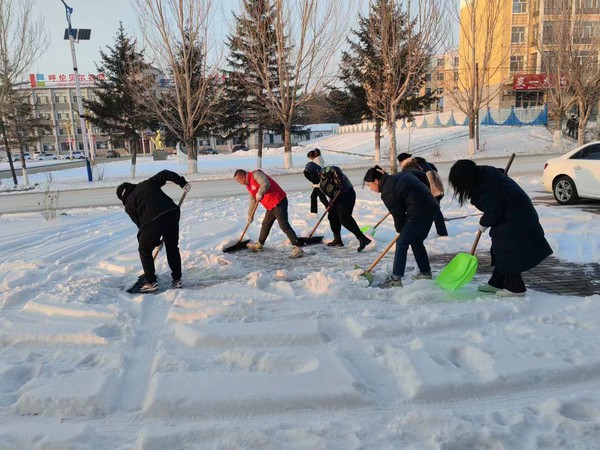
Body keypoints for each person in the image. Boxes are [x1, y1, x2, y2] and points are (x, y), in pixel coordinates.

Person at [448, 159, 553, 297]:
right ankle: (497, 283)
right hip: (512, 214)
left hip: (517, 216)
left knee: (506, 248)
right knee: (499, 247)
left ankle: (516, 288)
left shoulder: (486, 185)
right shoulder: (483, 175)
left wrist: (484, 222)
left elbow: (493, 211)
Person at [363, 166, 439, 288]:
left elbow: (398, 215)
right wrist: (423, 194)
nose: (370, 188)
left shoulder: (387, 192)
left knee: (402, 242)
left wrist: (401, 230)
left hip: (419, 212)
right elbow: (421, 175)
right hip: (431, 207)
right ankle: (426, 273)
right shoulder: (397, 176)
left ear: (376, 181)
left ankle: (396, 278)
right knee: (416, 241)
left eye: (370, 185)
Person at [116, 170, 191, 293]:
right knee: (172, 248)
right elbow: (165, 173)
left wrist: (154, 241)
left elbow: (142, 227)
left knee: (144, 250)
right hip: (172, 212)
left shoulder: (128, 204)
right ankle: (177, 280)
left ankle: (150, 282)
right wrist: (182, 182)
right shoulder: (147, 183)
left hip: (154, 220)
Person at [234, 169, 304, 258]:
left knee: (284, 225)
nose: (238, 183)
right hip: (270, 205)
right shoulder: (248, 185)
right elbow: (253, 200)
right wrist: (250, 215)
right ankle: (260, 244)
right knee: (265, 224)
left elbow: (265, 183)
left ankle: (298, 247)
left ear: (243, 177)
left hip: (278, 201)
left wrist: (260, 192)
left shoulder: (256, 174)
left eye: (238, 181)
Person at [307, 164, 372, 251]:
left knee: (344, 219)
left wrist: (340, 183)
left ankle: (362, 238)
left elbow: (335, 170)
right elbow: (323, 196)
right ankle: (337, 239)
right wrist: (328, 205)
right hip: (337, 198)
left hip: (346, 193)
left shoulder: (325, 171)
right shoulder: (320, 184)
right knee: (332, 216)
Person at [397, 152, 448, 236]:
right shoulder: (421, 161)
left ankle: (419, 233)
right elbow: (434, 168)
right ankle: (441, 232)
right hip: (437, 188)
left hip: (428, 191)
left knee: (425, 212)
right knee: (436, 210)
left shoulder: (408, 169)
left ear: (401, 162)